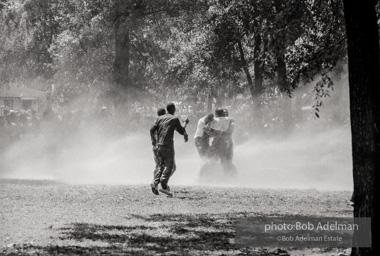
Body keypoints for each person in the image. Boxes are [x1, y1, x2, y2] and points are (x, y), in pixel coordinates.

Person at [150, 103, 189, 197]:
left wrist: (154, 141)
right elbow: (181, 130)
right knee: (169, 165)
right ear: (174, 109)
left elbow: (152, 129)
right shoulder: (174, 119)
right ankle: (163, 185)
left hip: (159, 146)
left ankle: (155, 183)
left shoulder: (159, 118)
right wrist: (185, 122)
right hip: (168, 145)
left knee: (160, 165)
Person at [150, 107, 166, 193]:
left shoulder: (155, 122)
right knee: (164, 166)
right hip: (160, 146)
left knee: (158, 165)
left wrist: (154, 143)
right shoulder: (162, 123)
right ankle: (157, 183)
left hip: (155, 147)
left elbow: (152, 132)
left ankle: (155, 183)